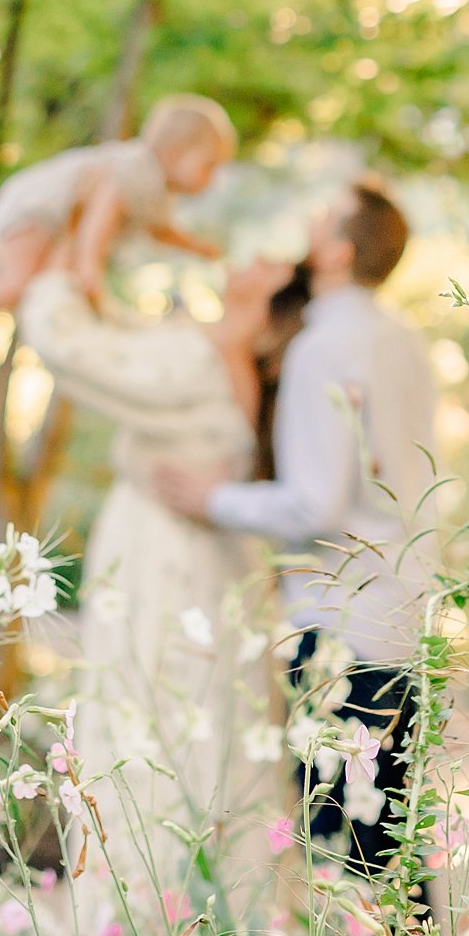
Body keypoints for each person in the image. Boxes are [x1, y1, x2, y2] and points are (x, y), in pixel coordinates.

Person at [155, 182, 436, 879]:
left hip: (341, 616)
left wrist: (214, 499)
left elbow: (316, 504)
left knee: (340, 839)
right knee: (391, 835)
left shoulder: (324, 347)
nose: (306, 219)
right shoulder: (402, 340)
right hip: (405, 604)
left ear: (338, 249)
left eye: (320, 215)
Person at [17, 257, 309, 911]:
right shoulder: (210, 352)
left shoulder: (202, 358)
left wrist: (53, 269)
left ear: (273, 300)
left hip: (164, 553)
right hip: (218, 560)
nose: (255, 257)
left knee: (157, 704)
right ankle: (211, 899)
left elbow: (78, 352)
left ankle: (151, 901)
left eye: (275, 264)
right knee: (201, 710)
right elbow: (125, 335)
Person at [0, 95, 236, 371]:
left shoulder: (157, 192)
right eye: (209, 166)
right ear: (176, 151)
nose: (212, 179)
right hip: (41, 206)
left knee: (18, 275)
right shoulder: (139, 170)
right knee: (19, 279)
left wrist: (199, 249)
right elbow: (104, 209)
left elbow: (161, 232)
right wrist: (88, 263)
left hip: (34, 206)